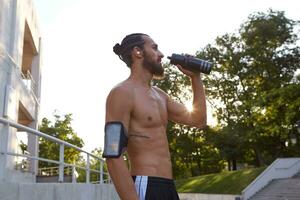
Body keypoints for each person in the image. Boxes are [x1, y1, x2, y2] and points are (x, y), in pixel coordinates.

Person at [104, 33, 207, 200]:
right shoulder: (121, 93)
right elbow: (112, 155)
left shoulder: (160, 96)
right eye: (154, 48)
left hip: (168, 186)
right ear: (138, 52)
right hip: (145, 185)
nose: (161, 54)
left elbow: (198, 120)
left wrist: (195, 78)